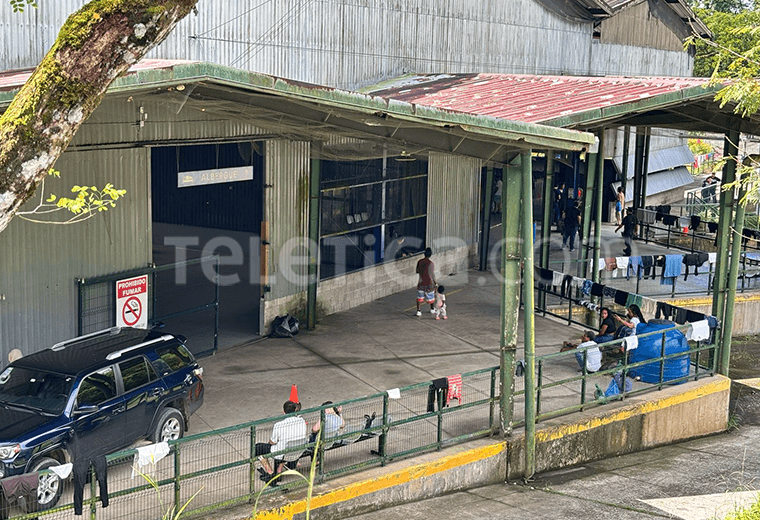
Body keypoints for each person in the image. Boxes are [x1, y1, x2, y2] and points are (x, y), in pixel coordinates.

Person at [255, 400, 307, 479]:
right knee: (284, 446)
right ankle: (279, 468)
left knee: (258, 448)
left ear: (284, 412)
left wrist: (269, 445)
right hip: (298, 450)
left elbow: (272, 442)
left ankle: (270, 472)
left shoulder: (279, 425)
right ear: (295, 410)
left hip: (284, 453)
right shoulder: (302, 421)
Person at [415, 248, 437, 316]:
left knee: (419, 297)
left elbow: (417, 271)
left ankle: (418, 311)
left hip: (421, 282)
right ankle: (432, 309)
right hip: (429, 283)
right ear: (430, 254)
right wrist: (435, 283)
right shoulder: (431, 263)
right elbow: (432, 274)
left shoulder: (419, 262)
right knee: (431, 296)